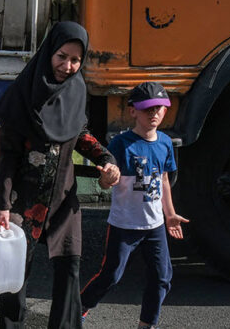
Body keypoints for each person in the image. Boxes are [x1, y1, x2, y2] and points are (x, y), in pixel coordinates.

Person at [0, 21, 121, 329]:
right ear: (49, 53)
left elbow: (79, 133)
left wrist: (106, 159)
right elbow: (9, 156)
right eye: (62, 57)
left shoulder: (76, 90)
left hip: (62, 197)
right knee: (15, 274)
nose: (68, 66)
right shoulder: (23, 94)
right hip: (22, 199)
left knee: (69, 269)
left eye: (76, 60)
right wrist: (2, 205)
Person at [80, 81, 189, 329]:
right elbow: (106, 181)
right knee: (111, 275)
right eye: (147, 109)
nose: (153, 113)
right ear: (132, 111)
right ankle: (80, 307)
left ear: (165, 110)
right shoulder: (121, 144)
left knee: (162, 278)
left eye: (159, 108)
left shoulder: (165, 143)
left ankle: (147, 324)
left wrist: (170, 215)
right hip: (124, 225)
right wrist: (107, 179)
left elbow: (163, 180)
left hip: (155, 226)